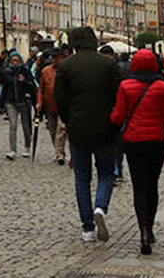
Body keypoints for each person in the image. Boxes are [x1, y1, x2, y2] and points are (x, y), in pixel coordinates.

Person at [110, 48, 164, 255]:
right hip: (157, 142)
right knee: (152, 185)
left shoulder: (125, 86)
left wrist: (112, 117)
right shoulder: (163, 87)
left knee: (139, 188)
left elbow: (118, 117)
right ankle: (149, 229)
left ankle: (142, 230)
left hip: (133, 141)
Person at [55, 26, 122, 243]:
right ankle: (101, 207)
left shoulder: (66, 66)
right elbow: (118, 95)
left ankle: (87, 228)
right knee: (106, 173)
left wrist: (68, 120)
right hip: (105, 127)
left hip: (78, 127)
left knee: (82, 178)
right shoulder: (108, 64)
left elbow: (60, 99)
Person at [0, 50, 36, 160]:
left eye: (17, 60)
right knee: (12, 126)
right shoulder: (7, 72)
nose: (15, 62)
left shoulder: (25, 71)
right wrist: (1, 104)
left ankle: (27, 146)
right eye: (13, 60)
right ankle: (12, 150)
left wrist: (24, 81)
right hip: (11, 102)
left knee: (26, 126)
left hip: (24, 101)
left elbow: (32, 86)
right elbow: (4, 89)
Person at [37, 48, 68, 165]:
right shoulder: (46, 71)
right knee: (53, 130)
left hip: (63, 105)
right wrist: (39, 102)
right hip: (49, 105)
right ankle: (58, 150)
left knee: (61, 129)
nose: (54, 60)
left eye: (56, 57)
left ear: (61, 57)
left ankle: (59, 153)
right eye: (53, 58)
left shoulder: (66, 70)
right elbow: (41, 88)